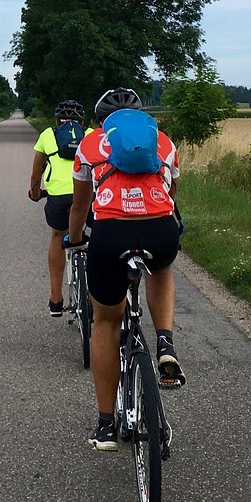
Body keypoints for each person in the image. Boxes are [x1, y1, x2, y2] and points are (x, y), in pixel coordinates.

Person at [67, 87, 186, 452]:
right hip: (158, 226)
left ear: (102, 121)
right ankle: (165, 342)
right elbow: (172, 193)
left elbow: (79, 205)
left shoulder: (89, 146)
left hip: (111, 233)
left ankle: (105, 425)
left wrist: (74, 241)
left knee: (105, 321)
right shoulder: (163, 143)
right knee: (162, 266)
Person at [27, 100, 85, 317]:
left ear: (56, 120)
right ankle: (95, 295)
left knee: (58, 236)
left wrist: (35, 192)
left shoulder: (47, 135)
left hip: (59, 198)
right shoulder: (90, 135)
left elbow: (36, 172)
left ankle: (55, 299)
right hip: (88, 195)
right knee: (96, 236)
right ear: (82, 121)